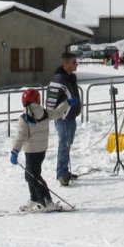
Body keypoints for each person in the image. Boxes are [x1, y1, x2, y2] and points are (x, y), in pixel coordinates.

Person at [9, 88, 72, 212]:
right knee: (30, 175)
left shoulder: (24, 118)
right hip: (41, 150)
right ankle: (34, 199)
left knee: (33, 176)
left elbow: (21, 136)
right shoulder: (45, 113)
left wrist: (15, 151)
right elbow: (58, 112)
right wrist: (67, 103)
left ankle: (45, 201)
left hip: (31, 151)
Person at [46, 52, 81, 186]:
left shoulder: (70, 78)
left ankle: (65, 170)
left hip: (71, 118)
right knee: (63, 145)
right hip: (63, 119)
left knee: (67, 145)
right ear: (65, 64)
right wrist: (60, 114)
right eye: (73, 62)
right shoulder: (59, 80)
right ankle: (61, 174)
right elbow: (50, 102)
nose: (76, 64)